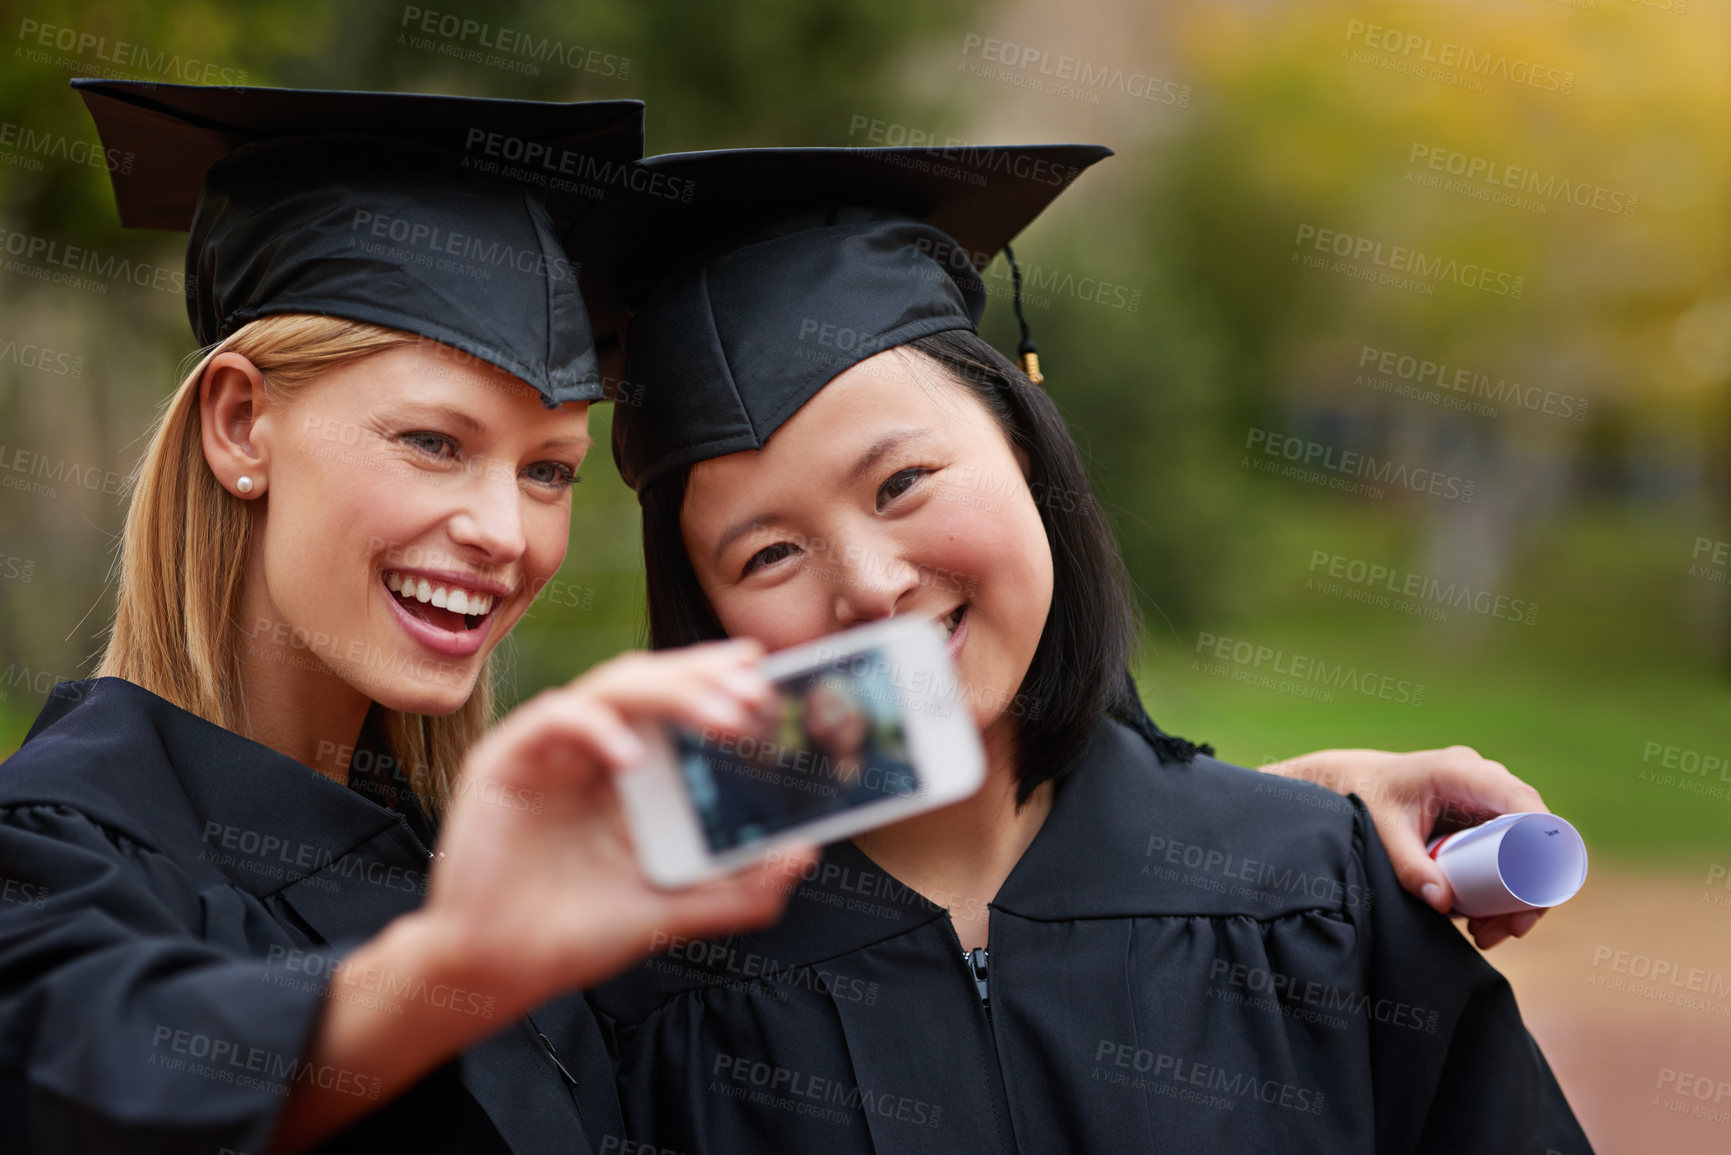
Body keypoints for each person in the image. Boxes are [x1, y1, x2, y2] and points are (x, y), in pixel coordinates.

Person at [587, 144, 1596, 1152]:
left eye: (901, 484)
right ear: (708, 614)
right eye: (768, 554)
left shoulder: (1317, 904)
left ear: (1024, 447)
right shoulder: (641, 997)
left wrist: (1271, 835)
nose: (869, 584)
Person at [0, 81, 816, 1155]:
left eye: (548, 471)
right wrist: (465, 957)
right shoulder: (56, 852)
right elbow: (99, 1082)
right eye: (433, 442)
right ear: (242, 425)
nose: (506, 533)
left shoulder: (464, 850)